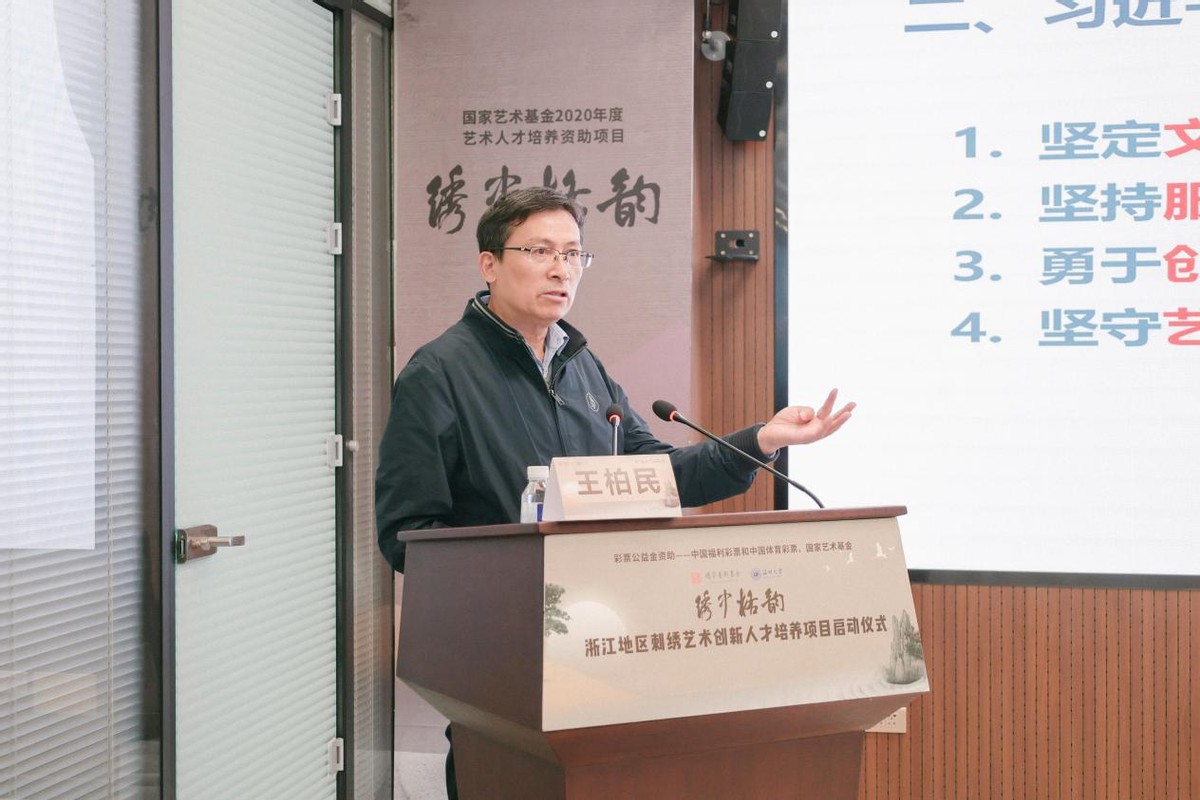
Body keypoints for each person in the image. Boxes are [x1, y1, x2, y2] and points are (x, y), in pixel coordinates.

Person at [375, 186, 853, 798]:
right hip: (504, 655)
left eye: (573, 254)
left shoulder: (582, 366)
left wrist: (759, 440)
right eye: (540, 251)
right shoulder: (439, 372)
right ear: (489, 264)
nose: (561, 269)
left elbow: (662, 473)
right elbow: (407, 533)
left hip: (603, 641)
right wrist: (515, 575)